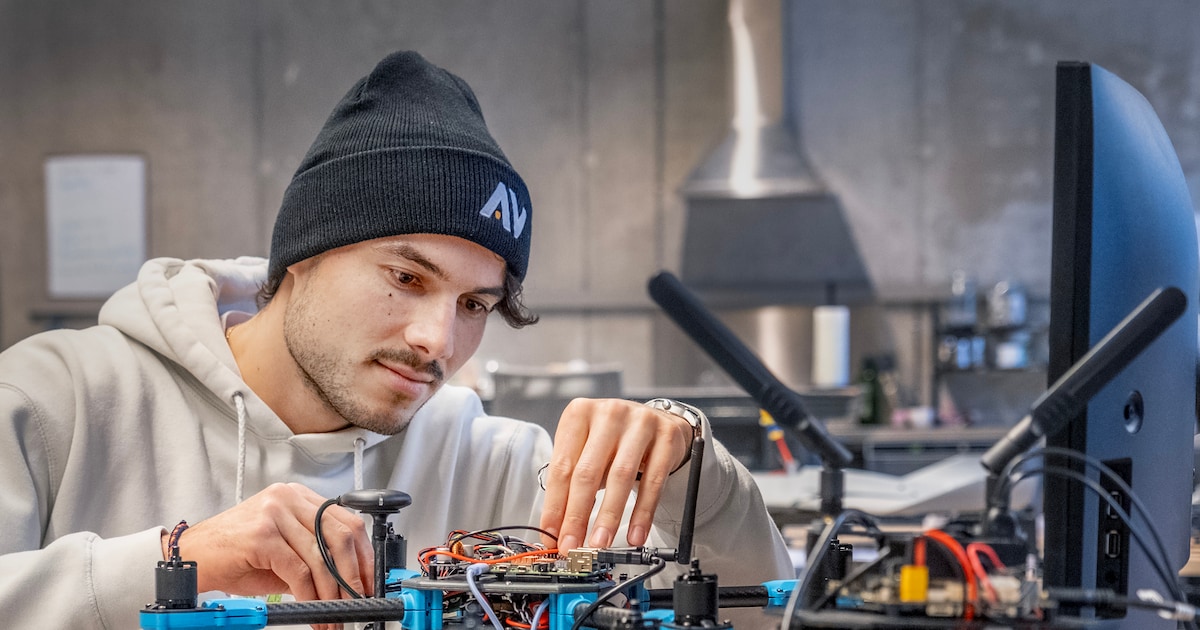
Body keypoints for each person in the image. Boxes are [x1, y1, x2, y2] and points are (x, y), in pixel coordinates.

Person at [0, 50, 791, 627]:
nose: (436, 340)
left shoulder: (493, 466)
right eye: (407, 278)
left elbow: (761, 613)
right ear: (302, 257)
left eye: (478, 303)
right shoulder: (54, 400)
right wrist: (165, 564)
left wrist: (696, 474)